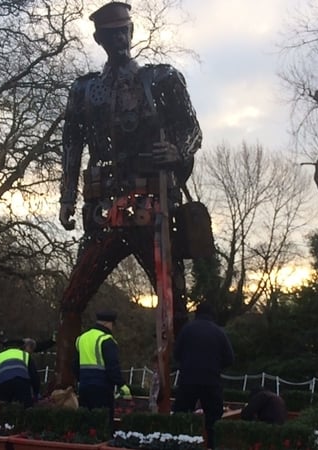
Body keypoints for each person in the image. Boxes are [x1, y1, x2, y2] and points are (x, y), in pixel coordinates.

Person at [56, 0, 203, 385]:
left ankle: (174, 387)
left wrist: (176, 150)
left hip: (153, 207)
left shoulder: (162, 78)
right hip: (105, 210)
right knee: (72, 298)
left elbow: (192, 130)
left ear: (132, 33)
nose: (120, 39)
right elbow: (71, 143)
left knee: (172, 301)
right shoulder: (84, 90)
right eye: (111, 34)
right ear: (99, 38)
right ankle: (61, 389)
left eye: (124, 31)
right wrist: (67, 197)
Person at [173, 303, 234, 450]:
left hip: (188, 380)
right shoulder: (219, 332)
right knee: (214, 420)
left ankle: (180, 444)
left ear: (196, 313)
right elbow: (230, 358)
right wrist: (216, 368)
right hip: (211, 381)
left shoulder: (187, 330)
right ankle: (211, 446)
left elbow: (176, 354)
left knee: (181, 416)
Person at [74, 310, 132, 423]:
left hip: (84, 386)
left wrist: (80, 379)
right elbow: (112, 366)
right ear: (108, 324)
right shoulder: (106, 340)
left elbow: (75, 364)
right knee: (103, 421)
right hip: (102, 388)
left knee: (86, 420)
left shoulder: (81, 338)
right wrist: (121, 384)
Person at [0, 337, 40, 407]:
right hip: (22, 382)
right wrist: (36, 393)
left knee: (4, 411)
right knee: (26, 410)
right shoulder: (24, 355)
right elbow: (34, 376)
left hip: (3, 384)